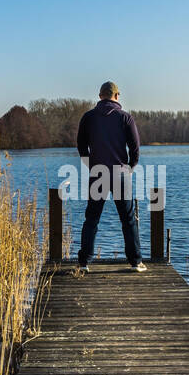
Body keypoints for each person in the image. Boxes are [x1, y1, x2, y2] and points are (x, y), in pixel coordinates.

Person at [75, 81, 146, 273]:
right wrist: (130, 167)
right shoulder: (125, 118)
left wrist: (90, 165)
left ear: (100, 96)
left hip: (97, 172)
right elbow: (135, 148)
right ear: (117, 96)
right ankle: (136, 262)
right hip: (120, 173)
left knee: (92, 219)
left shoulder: (88, 117)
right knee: (128, 219)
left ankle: (84, 263)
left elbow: (81, 146)